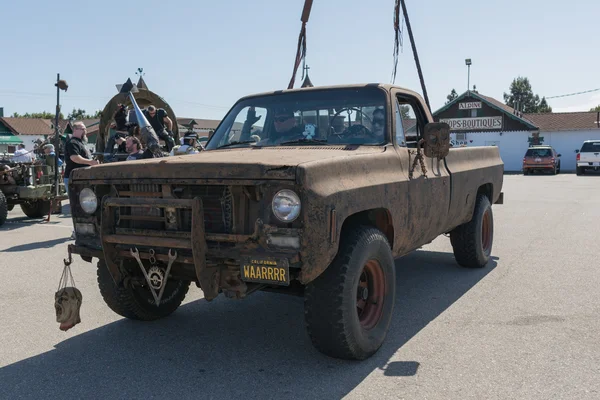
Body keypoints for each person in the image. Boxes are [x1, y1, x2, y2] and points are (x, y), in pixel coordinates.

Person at [64, 121, 99, 239]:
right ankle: (77, 231)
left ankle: (84, 230)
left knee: (84, 205)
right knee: (77, 205)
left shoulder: (80, 142)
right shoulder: (72, 142)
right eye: (83, 129)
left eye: (85, 128)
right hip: (73, 179)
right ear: (76, 129)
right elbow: (74, 157)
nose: (85, 131)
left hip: (81, 178)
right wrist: (90, 162)